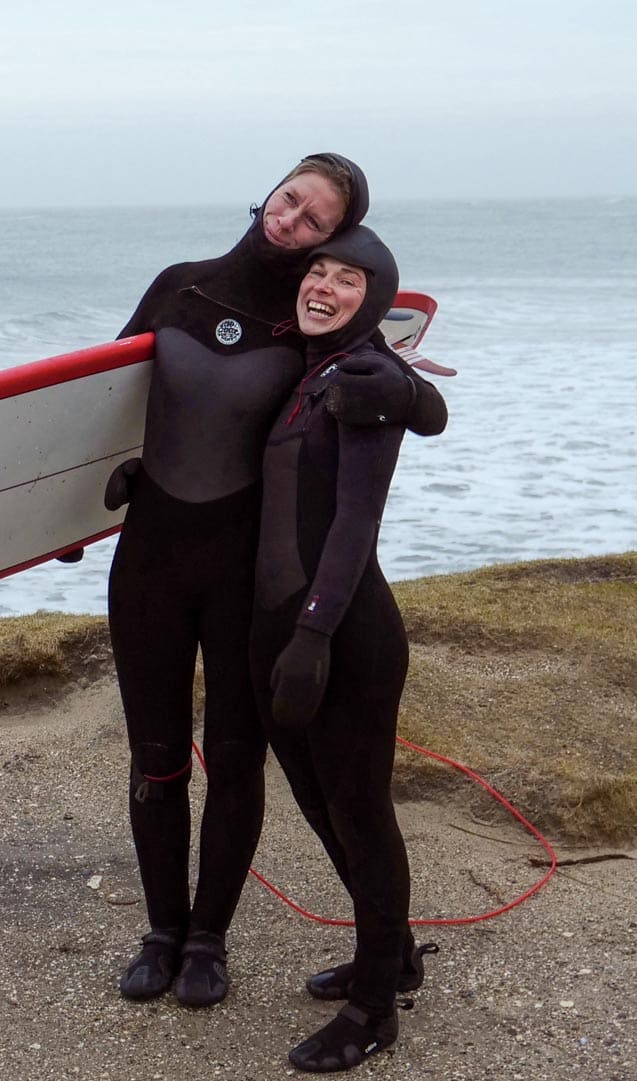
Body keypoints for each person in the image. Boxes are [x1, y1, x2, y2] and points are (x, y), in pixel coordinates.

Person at [105, 154, 445, 1009]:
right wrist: (64, 509)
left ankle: (210, 937)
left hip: (239, 572)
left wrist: (410, 393)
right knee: (154, 757)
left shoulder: (308, 328)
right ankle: (161, 930)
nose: (291, 222)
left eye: (317, 223)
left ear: (337, 242)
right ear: (273, 191)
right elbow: (101, 399)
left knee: (233, 756)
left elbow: (380, 388)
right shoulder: (177, 288)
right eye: (291, 200)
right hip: (146, 558)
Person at [249, 224, 437, 1071]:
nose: (323, 285)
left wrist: (315, 633)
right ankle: (388, 954)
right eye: (317, 270)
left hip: (346, 633)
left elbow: (355, 519)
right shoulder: (312, 372)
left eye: (349, 279)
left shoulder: (363, 378)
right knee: (322, 805)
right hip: (288, 628)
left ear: (379, 299)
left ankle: (374, 1009)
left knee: (360, 813)